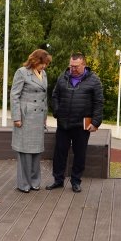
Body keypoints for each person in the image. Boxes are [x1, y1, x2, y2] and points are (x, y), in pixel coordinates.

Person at [46, 52, 104, 193]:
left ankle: (76, 181)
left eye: (76, 66)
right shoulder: (63, 77)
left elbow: (99, 103)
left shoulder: (94, 80)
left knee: (80, 154)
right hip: (63, 123)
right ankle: (58, 180)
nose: (73, 69)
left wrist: (96, 122)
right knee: (59, 153)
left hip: (82, 124)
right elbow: (55, 96)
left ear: (84, 64)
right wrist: (57, 112)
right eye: (71, 66)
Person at [10, 49, 52, 193]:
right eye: (43, 63)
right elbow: (14, 95)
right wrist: (16, 117)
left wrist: (45, 117)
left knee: (36, 151)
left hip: (39, 117)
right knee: (25, 152)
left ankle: (34, 182)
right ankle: (24, 184)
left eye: (46, 64)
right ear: (35, 61)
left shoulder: (44, 74)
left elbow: (44, 97)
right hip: (25, 117)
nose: (44, 67)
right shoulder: (22, 72)